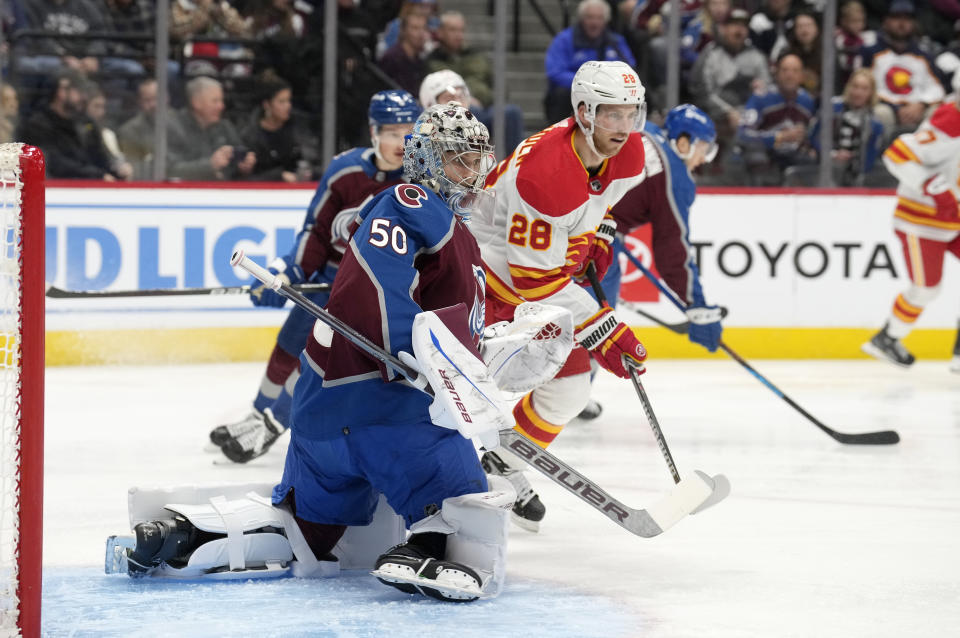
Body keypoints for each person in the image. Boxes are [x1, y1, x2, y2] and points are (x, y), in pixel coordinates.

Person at [272, 101, 507, 602]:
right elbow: (373, 289)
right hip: (389, 414)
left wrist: (509, 344)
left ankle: (215, 538)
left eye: (476, 159)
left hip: (319, 427)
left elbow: (458, 326)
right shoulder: (411, 202)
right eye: (456, 160)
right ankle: (428, 544)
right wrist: (413, 359)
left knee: (306, 539)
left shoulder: (456, 232)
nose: (472, 172)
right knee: (468, 514)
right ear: (423, 160)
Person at [470, 60, 649, 530]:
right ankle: (448, 476)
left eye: (632, 114)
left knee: (569, 389)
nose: (624, 127)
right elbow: (534, 284)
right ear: (584, 112)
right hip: (484, 282)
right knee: (468, 393)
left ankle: (502, 464)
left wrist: (600, 235)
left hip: (533, 273)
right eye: (612, 115)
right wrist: (604, 331)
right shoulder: (545, 174)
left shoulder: (627, 153)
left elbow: (605, 201)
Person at [210, 89, 420, 462]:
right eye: (390, 132)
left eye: (408, 131)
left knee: (317, 355)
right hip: (331, 275)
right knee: (290, 340)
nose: (400, 142)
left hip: (376, 291)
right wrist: (288, 272)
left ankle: (272, 424)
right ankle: (257, 414)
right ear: (373, 132)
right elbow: (317, 231)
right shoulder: (345, 170)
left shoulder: (419, 182)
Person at [581, 104, 724, 419]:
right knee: (597, 317)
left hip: (574, 218)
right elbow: (673, 250)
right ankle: (572, 390)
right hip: (589, 235)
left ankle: (571, 387)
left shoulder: (649, 135)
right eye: (704, 148)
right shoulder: (675, 174)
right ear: (683, 143)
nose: (703, 158)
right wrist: (696, 307)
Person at [861, 71, 960, 371]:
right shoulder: (950, 121)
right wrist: (933, 188)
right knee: (926, 290)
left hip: (953, 217)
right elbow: (897, 154)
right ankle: (888, 338)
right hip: (923, 220)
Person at [426, 11, 527, 152]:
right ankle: (473, 168)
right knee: (471, 112)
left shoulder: (477, 55)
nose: (458, 35)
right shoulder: (432, 60)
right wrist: (465, 100)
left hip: (488, 106)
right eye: (452, 30)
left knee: (511, 112)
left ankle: (514, 166)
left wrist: (487, 99)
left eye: (461, 30)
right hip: (455, 110)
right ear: (441, 32)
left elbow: (501, 87)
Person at [16, 71, 124, 180]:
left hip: (91, 185)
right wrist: (97, 175)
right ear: (61, 91)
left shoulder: (86, 123)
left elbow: (100, 155)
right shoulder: (38, 124)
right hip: (58, 188)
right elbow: (54, 163)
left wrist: (116, 170)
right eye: (77, 90)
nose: (82, 96)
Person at [860, 0, 946, 136]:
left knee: (937, 112)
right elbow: (864, 84)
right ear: (885, 21)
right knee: (881, 113)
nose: (902, 24)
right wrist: (895, 108)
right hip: (885, 107)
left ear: (914, 23)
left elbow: (936, 88)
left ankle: (928, 155)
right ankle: (879, 154)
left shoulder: (924, 56)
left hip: (916, 107)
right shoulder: (871, 52)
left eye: (907, 19)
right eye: (896, 18)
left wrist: (921, 105)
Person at [544, 0, 637, 124]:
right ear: (581, 19)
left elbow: (629, 68)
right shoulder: (564, 40)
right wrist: (588, 84)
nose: (594, 22)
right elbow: (555, 73)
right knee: (562, 94)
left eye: (599, 18)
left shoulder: (616, 41)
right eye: (590, 17)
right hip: (574, 93)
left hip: (609, 93)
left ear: (606, 20)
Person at [736, 52, 816, 185]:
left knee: (812, 162)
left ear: (802, 76)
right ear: (776, 73)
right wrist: (778, 137)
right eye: (785, 70)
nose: (789, 75)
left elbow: (812, 134)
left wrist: (809, 144)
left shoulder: (807, 101)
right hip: (765, 155)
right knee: (756, 158)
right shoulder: (760, 98)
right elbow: (743, 134)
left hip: (793, 156)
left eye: (795, 71)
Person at [166, 76, 256, 181]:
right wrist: (210, 165)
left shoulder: (225, 126)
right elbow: (169, 169)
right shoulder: (173, 127)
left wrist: (244, 166)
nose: (222, 106)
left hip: (225, 193)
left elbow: (238, 168)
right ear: (196, 103)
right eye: (215, 101)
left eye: (222, 100)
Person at [808, 68, 886, 187]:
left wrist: (852, 159)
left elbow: (869, 160)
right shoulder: (832, 108)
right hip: (825, 167)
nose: (858, 92)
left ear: (871, 93)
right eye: (855, 86)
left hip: (856, 176)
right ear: (849, 87)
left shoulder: (875, 124)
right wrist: (832, 154)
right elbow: (814, 138)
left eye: (864, 89)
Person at [240, 75, 314, 182]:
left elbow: (311, 160)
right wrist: (279, 176)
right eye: (281, 102)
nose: (288, 106)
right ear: (267, 105)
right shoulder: (250, 136)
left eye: (288, 101)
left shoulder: (298, 129)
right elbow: (248, 178)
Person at [378, 12, 430, 95]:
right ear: (403, 30)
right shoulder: (392, 57)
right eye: (415, 28)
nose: (421, 33)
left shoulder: (420, 59)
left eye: (424, 28)